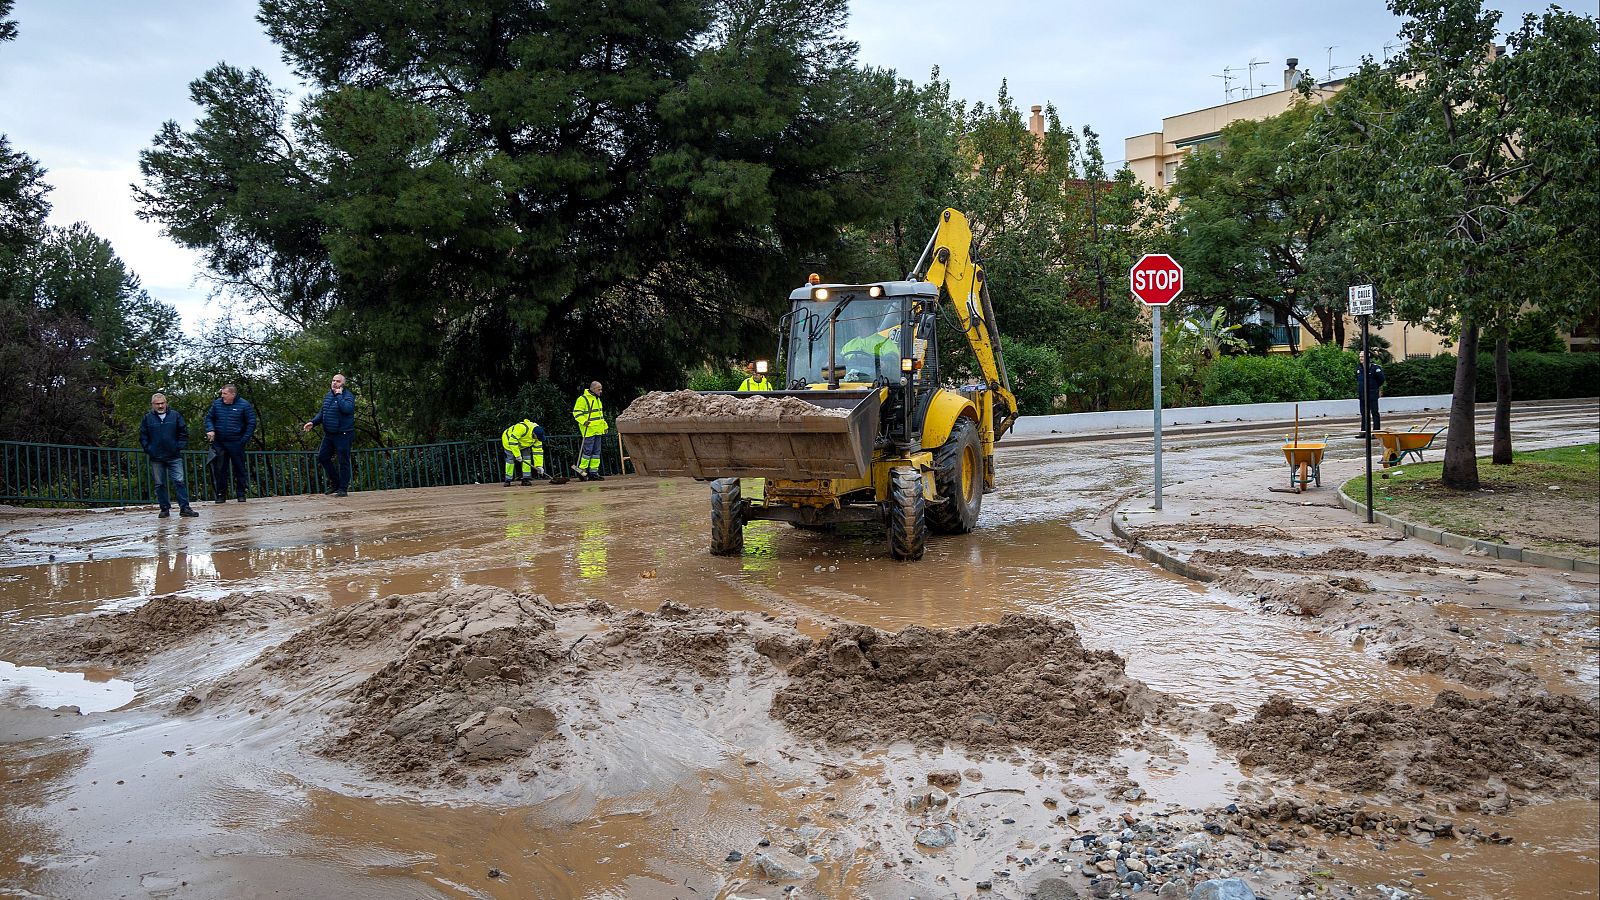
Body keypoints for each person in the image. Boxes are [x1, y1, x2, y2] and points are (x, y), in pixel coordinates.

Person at [139, 392, 199, 519]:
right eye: (157, 404)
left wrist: (178, 446)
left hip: (174, 455)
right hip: (156, 457)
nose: (160, 406)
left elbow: (183, 432)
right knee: (159, 483)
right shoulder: (147, 418)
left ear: (166, 403)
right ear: (152, 405)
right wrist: (149, 449)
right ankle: (164, 508)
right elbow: (143, 436)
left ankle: (185, 508)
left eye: (162, 403)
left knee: (179, 481)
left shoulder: (175, 415)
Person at [302, 373, 356, 497]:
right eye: (333, 380)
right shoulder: (328, 396)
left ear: (343, 384)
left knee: (343, 461)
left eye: (337, 381)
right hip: (329, 434)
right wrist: (313, 422)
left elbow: (347, 409)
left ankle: (343, 488)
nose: (334, 383)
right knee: (322, 457)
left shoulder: (348, 396)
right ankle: (335, 483)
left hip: (343, 433)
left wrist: (339, 395)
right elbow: (323, 412)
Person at [204, 383, 257, 502]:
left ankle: (241, 493)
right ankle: (221, 494)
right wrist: (210, 429)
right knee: (220, 469)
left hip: (236, 442)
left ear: (233, 394)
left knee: (239, 468)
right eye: (222, 394)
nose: (222, 396)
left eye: (225, 394)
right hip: (220, 442)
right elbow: (209, 418)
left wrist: (243, 440)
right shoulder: (217, 404)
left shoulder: (244, 405)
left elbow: (251, 423)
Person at [571, 381, 607, 482]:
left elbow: (600, 416)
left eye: (601, 389)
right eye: (599, 389)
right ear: (593, 389)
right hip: (589, 430)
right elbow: (576, 413)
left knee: (596, 453)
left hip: (598, 430)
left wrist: (605, 426)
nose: (601, 391)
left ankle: (593, 473)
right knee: (587, 452)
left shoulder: (597, 399)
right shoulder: (582, 399)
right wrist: (584, 421)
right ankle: (582, 471)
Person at [501, 418, 547, 486]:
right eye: (537, 438)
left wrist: (539, 466)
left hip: (523, 444)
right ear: (534, 434)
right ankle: (508, 480)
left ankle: (526, 479)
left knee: (527, 458)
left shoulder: (538, 436)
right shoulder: (522, 428)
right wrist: (517, 455)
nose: (538, 439)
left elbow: (538, 452)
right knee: (510, 460)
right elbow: (512, 441)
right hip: (509, 442)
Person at [1357, 351, 1385, 436]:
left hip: (1372, 394)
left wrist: (1374, 388)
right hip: (1362, 394)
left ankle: (1376, 432)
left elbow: (1381, 379)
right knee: (1364, 413)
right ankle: (1364, 432)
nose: (1360, 358)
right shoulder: (1359, 368)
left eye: (1362, 356)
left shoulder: (1375, 368)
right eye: (1360, 356)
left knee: (1374, 412)